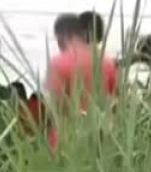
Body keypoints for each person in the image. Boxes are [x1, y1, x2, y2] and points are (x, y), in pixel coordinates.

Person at [43, 13, 119, 148]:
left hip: (66, 141)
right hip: (100, 140)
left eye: (57, 38)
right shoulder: (107, 62)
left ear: (64, 34)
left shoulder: (57, 63)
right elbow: (116, 102)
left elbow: (53, 106)